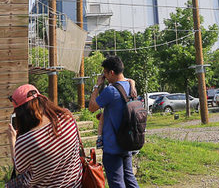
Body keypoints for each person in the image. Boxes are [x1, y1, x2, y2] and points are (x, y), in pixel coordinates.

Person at [7, 84, 82, 187]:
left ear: (20, 114)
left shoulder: (25, 141)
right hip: (75, 184)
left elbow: (19, 168)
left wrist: (12, 140)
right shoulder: (67, 117)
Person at [89, 56, 140, 188]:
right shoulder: (130, 87)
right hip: (128, 142)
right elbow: (130, 80)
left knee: (117, 182)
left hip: (113, 146)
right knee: (130, 179)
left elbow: (92, 107)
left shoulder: (110, 91)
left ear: (111, 72)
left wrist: (97, 85)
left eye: (105, 73)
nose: (104, 76)